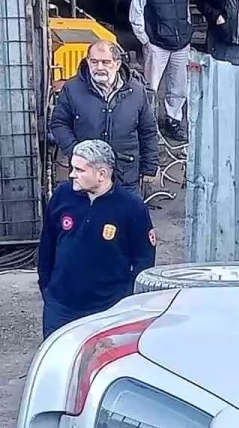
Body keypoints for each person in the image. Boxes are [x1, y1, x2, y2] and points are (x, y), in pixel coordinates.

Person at [38, 140, 157, 338]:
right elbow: (47, 246)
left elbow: (143, 260)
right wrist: (48, 289)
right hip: (61, 307)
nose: (72, 174)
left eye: (79, 170)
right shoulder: (62, 196)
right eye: (72, 168)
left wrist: (126, 300)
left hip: (108, 310)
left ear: (102, 174)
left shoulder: (131, 207)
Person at [49, 40, 158, 192]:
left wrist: (149, 167)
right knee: (86, 215)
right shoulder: (72, 89)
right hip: (85, 176)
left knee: (125, 215)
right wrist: (77, 151)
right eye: (94, 62)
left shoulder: (137, 91)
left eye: (106, 62)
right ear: (87, 61)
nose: (99, 67)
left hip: (125, 176)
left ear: (117, 64)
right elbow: (59, 123)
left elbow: (148, 131)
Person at [130, 0, 191, 142]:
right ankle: (148, 126)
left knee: (178, 87)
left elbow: (185, 10)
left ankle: (173, 121)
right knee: (151, 87)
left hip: (180, 44)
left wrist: (186, 32)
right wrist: (145, 40)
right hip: (156, 44)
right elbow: (136, 12)